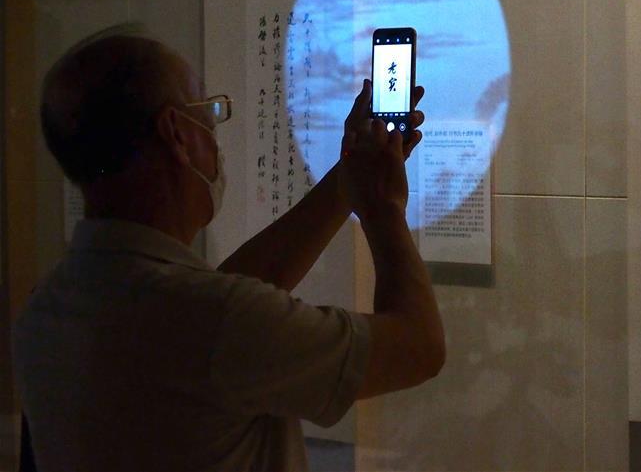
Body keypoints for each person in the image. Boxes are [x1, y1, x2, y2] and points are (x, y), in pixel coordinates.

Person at [12, 23, 445, 472]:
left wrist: (346, 180)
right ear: (178, 134)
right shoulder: (215, 321)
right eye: (210, 112)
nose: (215, 133)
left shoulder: (45, 312)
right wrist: (383, 207)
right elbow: (419, 347)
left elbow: (220, 297)